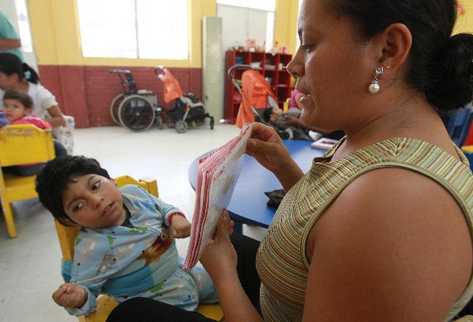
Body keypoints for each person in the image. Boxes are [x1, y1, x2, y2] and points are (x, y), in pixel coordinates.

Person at [106, 0, 473, 321]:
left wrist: (223, 275)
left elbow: (355, 227)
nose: (293, 65)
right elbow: (332, 219)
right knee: (239, 246)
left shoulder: (391, 207)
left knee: (130, 313)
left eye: (309, 44)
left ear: (387, 51)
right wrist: (283, 166)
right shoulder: (387, 136)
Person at [35, 155, 218, 317]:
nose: (97, 200)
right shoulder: (90, 249)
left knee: (231, 287)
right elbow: (86, 290)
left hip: (186, 271)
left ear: (111, 180)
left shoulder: (135, 194)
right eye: (78, 206)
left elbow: (162, 207)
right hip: (154, 302)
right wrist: (80, 297)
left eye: (95, 186)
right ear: (70, 221)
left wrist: (176, 219)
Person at [1, 89, 67, 176]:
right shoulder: (35, 121)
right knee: (54, 143)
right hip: (39, 164)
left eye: (15, 107)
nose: (9, 110)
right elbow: (47, 128)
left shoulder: (8, 127)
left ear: (26, 111)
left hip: (21, 167)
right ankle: (63, 165)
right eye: (6, 106)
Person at [0, 53, 65, 128]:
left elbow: (60, 119)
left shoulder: (40, 94)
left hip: (34, 137)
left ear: (14, 77)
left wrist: (33, 126)